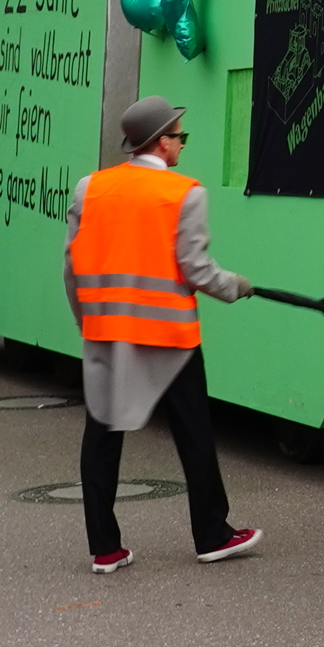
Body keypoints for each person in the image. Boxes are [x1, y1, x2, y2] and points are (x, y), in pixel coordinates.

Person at [69, 97, 261, 573]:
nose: (181, 144)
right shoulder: (184, 193)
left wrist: (85, 321)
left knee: (103, 435)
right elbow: (195, 269)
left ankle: (105, 549)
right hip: (169, 336)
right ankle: (212, 534)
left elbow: (72, 264)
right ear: (161, 141)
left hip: (108, 331)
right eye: (180, 136)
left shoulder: (90, 188)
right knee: (194, 433)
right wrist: (234, 287)